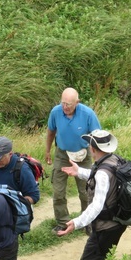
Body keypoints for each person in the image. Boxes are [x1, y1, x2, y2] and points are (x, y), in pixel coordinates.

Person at [56, 130, 127, 260]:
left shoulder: (102, 171)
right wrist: (79, 171)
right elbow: (104, 178)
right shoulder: (114, 160)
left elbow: (96, 206)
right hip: (117, 222)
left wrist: (76, 223)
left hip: (106, 226)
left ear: (93, 149)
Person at [45, 87, 101, 234]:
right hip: (62, 154)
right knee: (58, 191)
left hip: (83, 155)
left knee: (85, 191)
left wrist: (96, 157)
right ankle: (62, 222)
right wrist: (47, 151)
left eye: (69, 104)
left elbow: (96, 136)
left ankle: (87, 221)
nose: (65, 107)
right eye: (63, 103)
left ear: (77, 102)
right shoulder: (55, 112)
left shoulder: (88, 114)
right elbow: (51, 132)